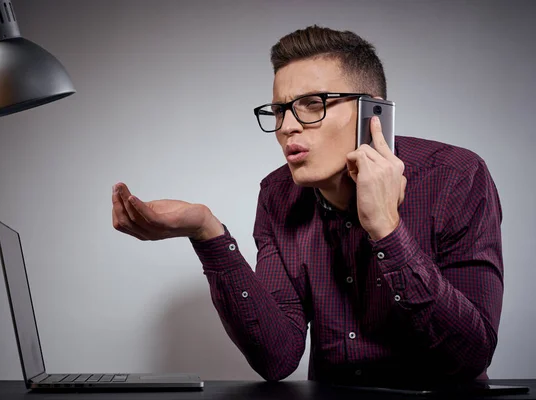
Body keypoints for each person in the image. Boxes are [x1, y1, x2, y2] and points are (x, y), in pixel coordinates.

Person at [111, 26, 503, 385]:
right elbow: (277, 358)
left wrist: (386, 229)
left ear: (374, 114)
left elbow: (470, 355)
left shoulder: (456, 177)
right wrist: (207, 231)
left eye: (312, 104)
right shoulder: (277, 195)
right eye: (280, 110)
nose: (287, 127)